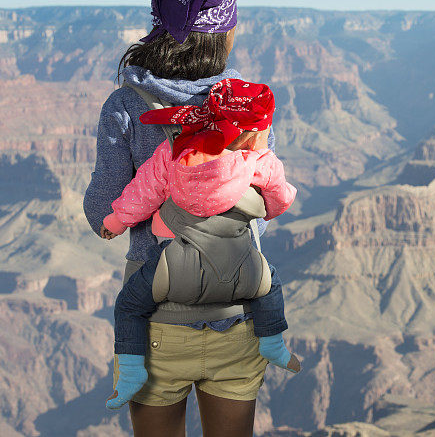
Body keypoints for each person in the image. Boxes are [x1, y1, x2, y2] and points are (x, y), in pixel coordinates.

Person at [84, 0, 285, 437]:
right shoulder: (250, 108)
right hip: (234, 315)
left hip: (157, 325)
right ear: (224, 35)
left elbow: (102, 213)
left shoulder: (127, 105)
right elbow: (260, 212)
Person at [102, 78, 301, 411]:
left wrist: (115, 221)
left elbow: (144, 193)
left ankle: (133, 371)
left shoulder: (174, 152)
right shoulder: (258, 161)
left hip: (172, 265)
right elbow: (279, 200)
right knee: (271, 287)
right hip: (241, 269)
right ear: (253, 133)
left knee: (129, 306)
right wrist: (271, 204)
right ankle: (272, 343)